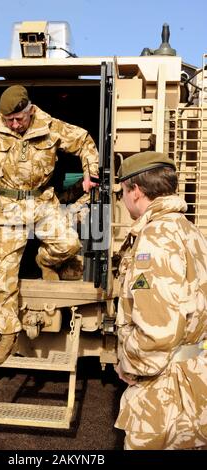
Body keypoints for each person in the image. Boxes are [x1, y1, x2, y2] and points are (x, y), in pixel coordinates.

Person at [0, 85, 99, 365]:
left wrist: (89, 174)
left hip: (42, 202)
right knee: (5, 273)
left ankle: (45, 261)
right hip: (6, 206)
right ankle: (7, 331)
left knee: (69, 244)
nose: (14, 125)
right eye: (8, 120)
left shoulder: (50, 126)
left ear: (30, 110)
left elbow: (85, 141)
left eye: (19, 119)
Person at [114, 150, 207, 450]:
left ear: (136, 191)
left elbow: (156, 331)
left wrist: (128, 364)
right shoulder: (189, 230)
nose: (122, 198)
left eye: (122, 191)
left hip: (163, 392)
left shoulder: (155, 239)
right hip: (192, 378)